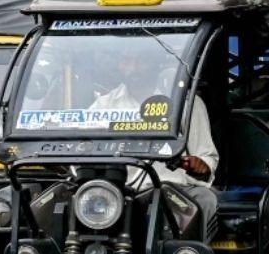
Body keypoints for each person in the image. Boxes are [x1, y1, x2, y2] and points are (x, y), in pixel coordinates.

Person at [90, 50, 220, 241]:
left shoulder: (186, 104)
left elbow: (206, 157)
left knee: (205, 199)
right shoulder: (103, 106)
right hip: (119, 192)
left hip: (173, 191)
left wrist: (199, 165)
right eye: (127, 61)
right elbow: (85, 151)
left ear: (156, 64)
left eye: (141, 61)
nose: (133, 69)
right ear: (119, 64)